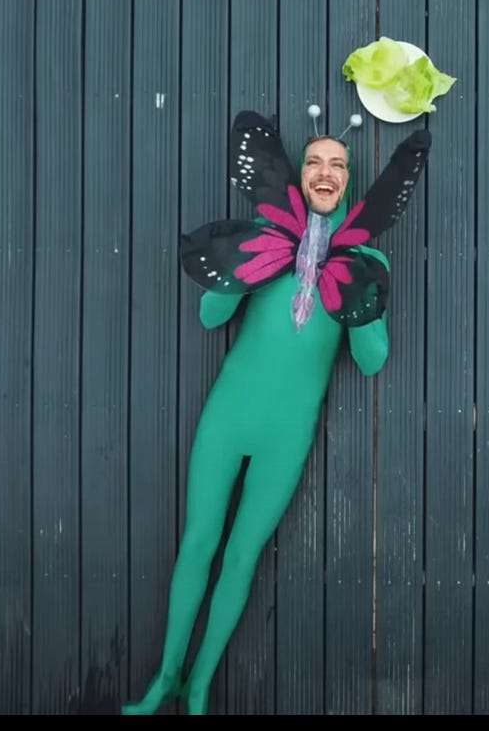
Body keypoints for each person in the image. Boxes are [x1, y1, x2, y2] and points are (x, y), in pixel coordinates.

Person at [122, 108, 430, 714]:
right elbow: (210, 316)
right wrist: (241, 264)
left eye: (338, 165)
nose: (325, 171)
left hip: (286, 434)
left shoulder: (369, 262)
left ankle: (199, 687)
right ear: (299, 176)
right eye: (315, 161)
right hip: (228, 416)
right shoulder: (268, 244)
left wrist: (363, 302)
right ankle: (163, 679)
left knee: (240, 557)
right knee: (198, 543)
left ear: (348, 181)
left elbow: (371, 361)